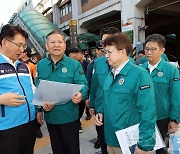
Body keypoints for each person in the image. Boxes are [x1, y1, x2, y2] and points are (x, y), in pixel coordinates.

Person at [95, 33, 156, 154]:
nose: (106, 56)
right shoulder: (111, 74)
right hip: (110, 138)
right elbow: (108, 99)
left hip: (129, 142)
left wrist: (145, 144)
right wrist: (101, 112)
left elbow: (148, 111)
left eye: (109, 52)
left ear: (122, 51)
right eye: (105, 52)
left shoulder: (140, 75)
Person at [36, 30, 88, 154]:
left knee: (72, 149)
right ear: (47, 46)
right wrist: (39, 108)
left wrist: (80, 94)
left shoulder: (74, 64)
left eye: (60, 42)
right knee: (57, 149)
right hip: (51, 117)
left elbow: (83, 84)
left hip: (69, 116)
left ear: (65, 45)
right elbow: (38, 88)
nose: (56, 45)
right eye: (52, 42)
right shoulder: (41, 65)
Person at [141, 34, 180, 154]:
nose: (149, 52)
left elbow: (176, 96)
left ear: (162, 50)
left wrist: (174, 119)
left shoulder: (171, 70)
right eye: (147, 49)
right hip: (144, 117)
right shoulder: (140, 69)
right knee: (142, 148)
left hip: (163, 118)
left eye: (153, 49)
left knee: (162, 150)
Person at [0, 24, 36, 154]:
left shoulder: (24, 66)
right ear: (4, 42)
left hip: (29, 123)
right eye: (19, 45)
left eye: (24, 46)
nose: (22, 49)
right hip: (7, 127)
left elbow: (32, 90)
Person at [89, 27, 120, 154]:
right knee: (103, 141)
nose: (105, 45)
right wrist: (92, 104)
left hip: (119, 112)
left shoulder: (130, 65)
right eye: (103, 42)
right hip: (101, 109)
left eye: (109, 41)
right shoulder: (98, 63)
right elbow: (95, 84)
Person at [73, 48, 92, 121]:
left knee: (85, 102)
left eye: (76, 54)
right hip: (79, 88)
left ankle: (88, 113)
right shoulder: (77, 63)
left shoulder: (87, 63)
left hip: (85, 85)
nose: (75, 56)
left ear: (81, 54)